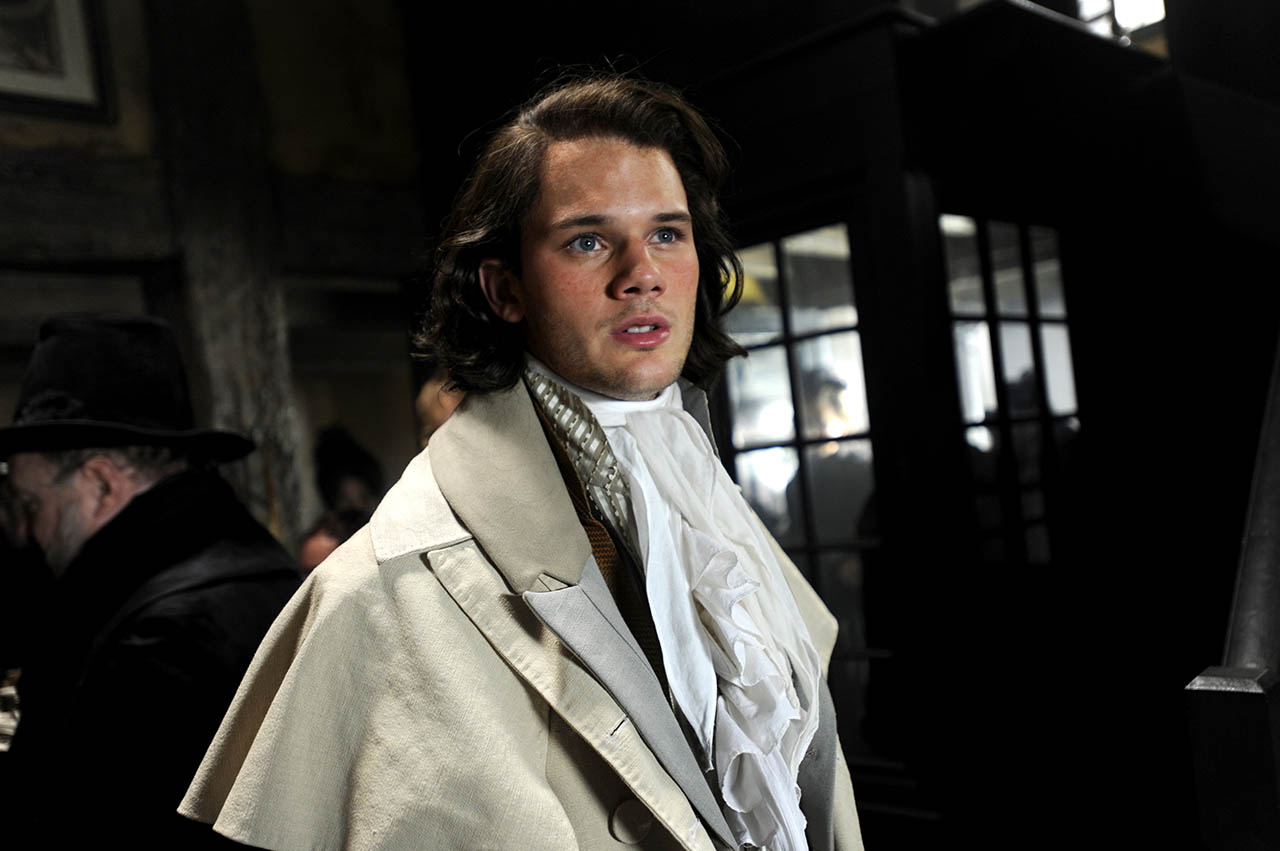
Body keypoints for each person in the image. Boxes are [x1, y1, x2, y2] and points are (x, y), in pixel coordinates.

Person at [181, 75, 863, 851]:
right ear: (504, 288)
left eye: (668, 234)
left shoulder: (714, 519)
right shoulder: (379, 589)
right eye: (588, 240)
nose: (641, 272)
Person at [0, 314, 299, 846]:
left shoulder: (155, 642)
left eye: (31, 505)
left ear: (100, 484)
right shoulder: (262, 563)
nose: (27, 531)